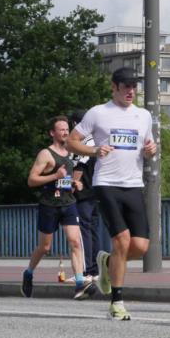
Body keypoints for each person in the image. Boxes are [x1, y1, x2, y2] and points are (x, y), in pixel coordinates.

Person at [67, 67, 157, 321]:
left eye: (134, 86)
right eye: (126, 86)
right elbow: (72, 141)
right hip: (106, 183)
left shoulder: (144, 115)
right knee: (122, 241)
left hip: (134, 185)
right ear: (114, 87)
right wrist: (94, 151)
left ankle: (108, 263)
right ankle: (117, 302)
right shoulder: (98, 113)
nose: (131, 91)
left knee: (140, 246)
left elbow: (149, 146)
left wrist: (151, 149)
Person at [21, 116, 89, 301]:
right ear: (52, 133)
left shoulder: (70, 152)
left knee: (74, 241)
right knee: (45, 247)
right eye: (61, 130)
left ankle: (79, 284)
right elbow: (31, 180)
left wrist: (76, 183)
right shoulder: (46, 154)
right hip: (49, 205)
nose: (65, 132)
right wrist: (54, 176)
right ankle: (28, 274)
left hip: (68, 202)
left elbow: (66, 179)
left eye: (67, 129)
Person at [70, 109, 103, 290]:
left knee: (83, 233)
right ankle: (95, 269)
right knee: (93, 230)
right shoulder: (97, 142)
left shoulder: (85, 143)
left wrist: (71, 183)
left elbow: (79, 168)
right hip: (96, 192)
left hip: (84, 194)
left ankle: (87, 270)